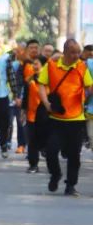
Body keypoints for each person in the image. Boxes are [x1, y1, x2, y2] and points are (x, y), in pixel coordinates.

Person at [37, 39, 93, 196]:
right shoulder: (52, 65)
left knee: (74, 155)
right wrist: (46, 102)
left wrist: (84, 96)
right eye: (73, 52)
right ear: (65, 52)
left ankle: (71, 186)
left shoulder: (82, 67)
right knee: (51, 150)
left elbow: (89, 86)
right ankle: (55, 174)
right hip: (56, 119)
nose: (76, 55)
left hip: (76, 119)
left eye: (78, 52)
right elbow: (41, 83)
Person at [23, 54, 46, 174]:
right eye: (33, 64)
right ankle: (33, 165)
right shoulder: (29, 80)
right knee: (32, 141)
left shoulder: (50, 80)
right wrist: (23, 111)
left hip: (46, 116)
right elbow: (25, 97)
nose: (34, 66)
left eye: (37, 64)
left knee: (45, 140)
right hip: (32, 115)